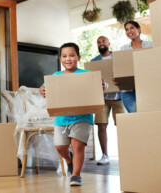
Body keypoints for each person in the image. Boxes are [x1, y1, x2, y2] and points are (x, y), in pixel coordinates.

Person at [40, 42, 102, 186]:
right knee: (60, 147)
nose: (68, 59)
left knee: (77, 144)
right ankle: (69, 160)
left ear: (78, 57)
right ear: (60, 59)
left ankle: (76, 175)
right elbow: (45, 87)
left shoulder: (86, 74)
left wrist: (102, 85)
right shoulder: (56, 76)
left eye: (72, 55)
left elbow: (97, 86)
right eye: (64, 56)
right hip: (62, 118)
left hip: (83, 117)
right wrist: (42, 89)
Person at [91, 36, 126, 165]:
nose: (101, 44)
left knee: (123, 125)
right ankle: (105, 155)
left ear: (109, 43)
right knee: (101, 125)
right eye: (98, 42)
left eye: (103, 41)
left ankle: (125, 153)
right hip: (102, 99)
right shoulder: (94, 61)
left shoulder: (117, 58)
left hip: (119, 97)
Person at [117, 20, 153, 113]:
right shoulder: (123, 49)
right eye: (126, 29)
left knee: (149, 113)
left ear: (139, 29)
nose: (129, 31)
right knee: (135, 113)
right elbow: (120, 68)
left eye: (132, 28)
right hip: (128, 90)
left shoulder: (150, 45)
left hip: (147, 87)